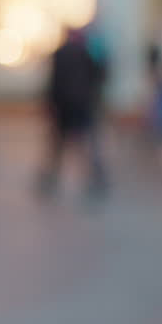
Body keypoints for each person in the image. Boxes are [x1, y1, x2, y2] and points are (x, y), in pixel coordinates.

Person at [39, 27, 110, 200]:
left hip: (65, 105)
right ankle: (95, 177)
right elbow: (99, 75)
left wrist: (51, 104)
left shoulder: (61, 53)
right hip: (82, 104)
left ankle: (51, 177)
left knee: (60, 144)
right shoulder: (86, 53)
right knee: (85, 142)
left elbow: (54, 81)